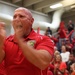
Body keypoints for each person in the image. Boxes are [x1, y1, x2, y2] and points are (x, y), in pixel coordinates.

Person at [0, 7, 54, 75]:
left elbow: (43, 62)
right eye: (14, 17)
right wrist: (0, 43)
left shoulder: (43, 39)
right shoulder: (7, 41)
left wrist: (20, 40)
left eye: (21, 16)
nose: (17, 19)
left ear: (31, 21)